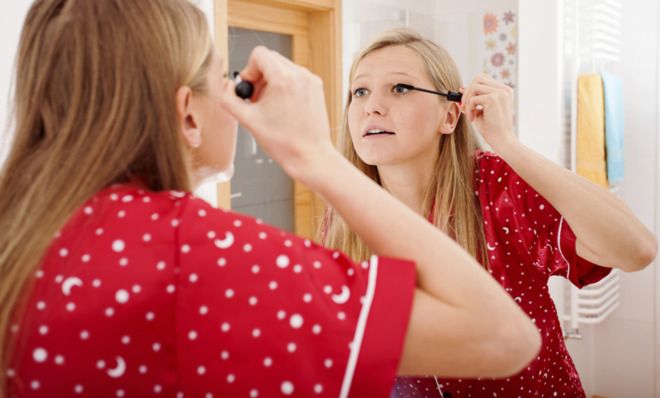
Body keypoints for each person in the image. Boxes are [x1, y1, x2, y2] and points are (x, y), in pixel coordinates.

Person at [0, 2, 542, 397]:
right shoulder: (207, 258)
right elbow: (502, 336)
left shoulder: (18, 232)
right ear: (189, 112)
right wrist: (315, 155)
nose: (373, 108)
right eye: (227, 80)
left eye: (399, 88)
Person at [322, 28, 658, 398]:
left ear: (450, 116)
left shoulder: (498, 187)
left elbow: (636, 249)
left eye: (400, 88)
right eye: (360, 91)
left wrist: (508, 144)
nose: (371, 106)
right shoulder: (343, 213)